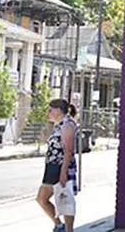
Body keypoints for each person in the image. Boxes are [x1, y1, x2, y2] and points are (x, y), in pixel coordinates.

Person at [36, 99, 77, 232]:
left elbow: (68, 150)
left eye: (50, 110)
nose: (48, 113)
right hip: (51, 166)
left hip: (61, 166)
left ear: (58, 110)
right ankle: (59, 225)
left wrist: (63, 172)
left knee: (65, 200)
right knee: (42, 199)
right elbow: (45, 140)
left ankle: (68, 229)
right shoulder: (57, 125)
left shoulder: (67, 125)